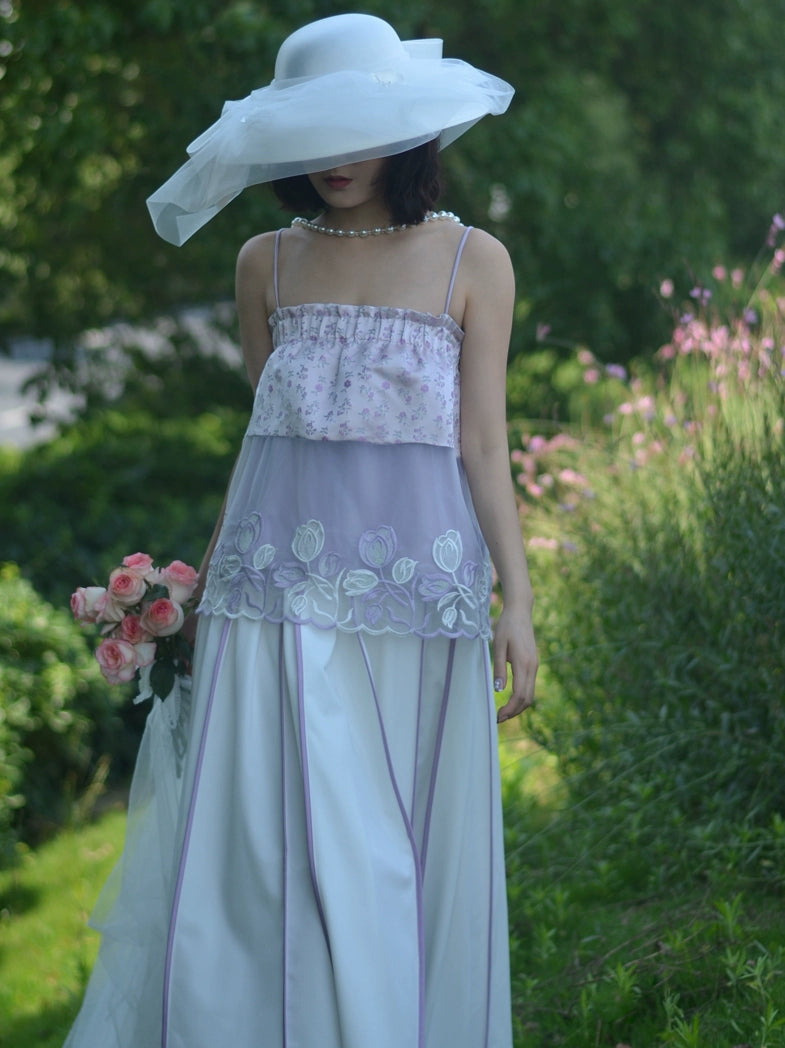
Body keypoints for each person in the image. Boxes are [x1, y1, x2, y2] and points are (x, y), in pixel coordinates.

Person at [65, 13, 537, 1048]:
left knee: (392, 853)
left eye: (358, 128)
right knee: (267, 854)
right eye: (316, 132)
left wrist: (519, 599)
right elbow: (266, 437)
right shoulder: (262, 262)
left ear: (405, 128)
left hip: (418, 605)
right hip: (269, 598)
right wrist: (194, 594)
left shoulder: (472, 258)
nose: (338, 157)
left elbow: (480, 443)